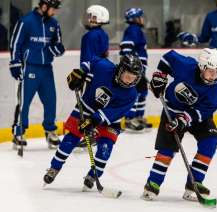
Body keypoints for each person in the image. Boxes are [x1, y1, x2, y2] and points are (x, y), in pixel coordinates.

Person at [43, 54, 143, 189]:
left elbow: (114, 113)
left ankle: (93, 175)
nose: (129, 81)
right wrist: (80, 73)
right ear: (119, 70)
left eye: (133, 78)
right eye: (127, 76)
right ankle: (54, 168)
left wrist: (93, 121)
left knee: (105, 148)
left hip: (109, 120)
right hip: (86, 107)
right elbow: (91, 62)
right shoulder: (104, 67)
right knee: (70, 139)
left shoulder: (131, 94)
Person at [142, 48, 217, 201]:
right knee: (167, 148)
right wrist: (160, 75)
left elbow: (200, 113)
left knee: (211, 140)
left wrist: (184, 120)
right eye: (211, 71)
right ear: (201, 67)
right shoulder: (186, 66)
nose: (214, 76)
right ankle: (153, 183)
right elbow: (168, 58)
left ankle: (194, 184)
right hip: (173, 111)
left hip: (197, 116)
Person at [9, 0, 65, 149]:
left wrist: (56, 49)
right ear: (44, 6)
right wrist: (15, 63)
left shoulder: (54, 23)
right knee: (24, 101)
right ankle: (19, 132)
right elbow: (15, 43)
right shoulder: (26, 21)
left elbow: (58, 44)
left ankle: (50, 131)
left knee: (50, 100)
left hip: (46, 69)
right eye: (54, 9)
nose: (55, 12)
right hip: (30, 67)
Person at [177, 0, 217, 130]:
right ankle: (204, 116)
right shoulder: (211, 16)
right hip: (213, 57)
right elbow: (204, 37)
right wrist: (193, 38)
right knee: (206, 85)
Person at [78, 5, 109, 148]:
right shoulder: (103, 34)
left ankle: (90, 134)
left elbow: (87, 59)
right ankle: (97, 132)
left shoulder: (88, 36)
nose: (87, 19)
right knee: (98, 104)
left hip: (92, 74)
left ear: (96, 18)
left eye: (90, 16)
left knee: (88, 105)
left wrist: (82, 76)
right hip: (103, 74)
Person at [120, 8, 152, 132]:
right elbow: (126, 47)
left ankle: (138, 116)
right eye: (140, 16)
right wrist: (130, 65)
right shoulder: (133, 29)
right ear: (135, 18)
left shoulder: (137, 30)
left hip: (140, 68)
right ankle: (129, 119)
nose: (142, 19)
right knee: (135, 92)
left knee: (143, 91)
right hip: (135, 68)